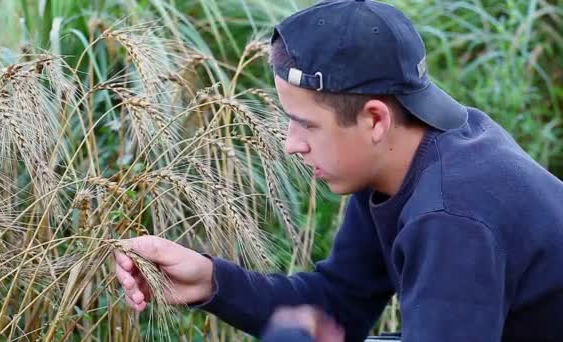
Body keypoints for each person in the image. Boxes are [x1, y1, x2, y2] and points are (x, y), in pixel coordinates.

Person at [113, 0, 563, 341]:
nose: (291, 144)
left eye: (307, 124)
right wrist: (212, 281)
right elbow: (339, 305)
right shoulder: (404, 158)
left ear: (374, 119)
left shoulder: (451, 218)